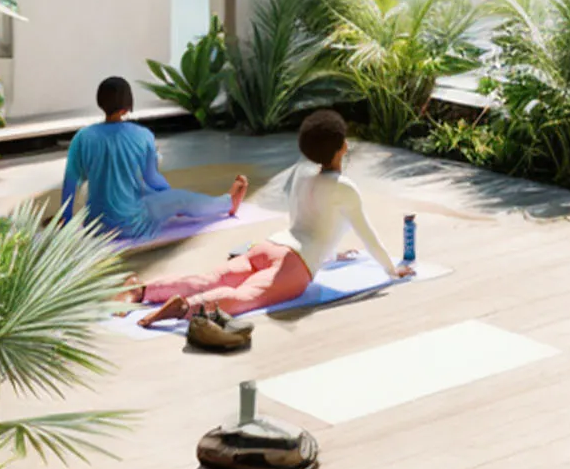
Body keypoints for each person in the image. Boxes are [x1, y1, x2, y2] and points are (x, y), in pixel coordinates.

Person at [135, 109, 413, 327]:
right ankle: (187, 308)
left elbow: (304, 222)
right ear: (343, 147)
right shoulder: (345, 188)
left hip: (269, 246)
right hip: (295, 264)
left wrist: (333, 255)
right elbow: (368, 235)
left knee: (211, 278)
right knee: (245, 297)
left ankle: (143, 291)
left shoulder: (302, 176)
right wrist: (392, 270)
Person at [60, 76, 247, 239]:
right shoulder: (142, 135)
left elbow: (70, 184)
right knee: (181, 199)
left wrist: (66, 224)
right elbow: (152, 179)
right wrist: (169, 197)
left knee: (141, 192)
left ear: (100, 103)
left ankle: (187, 202)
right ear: (127, 106)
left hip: (97, 227)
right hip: (130, 224)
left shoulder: (82, 137)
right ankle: (228, 203)